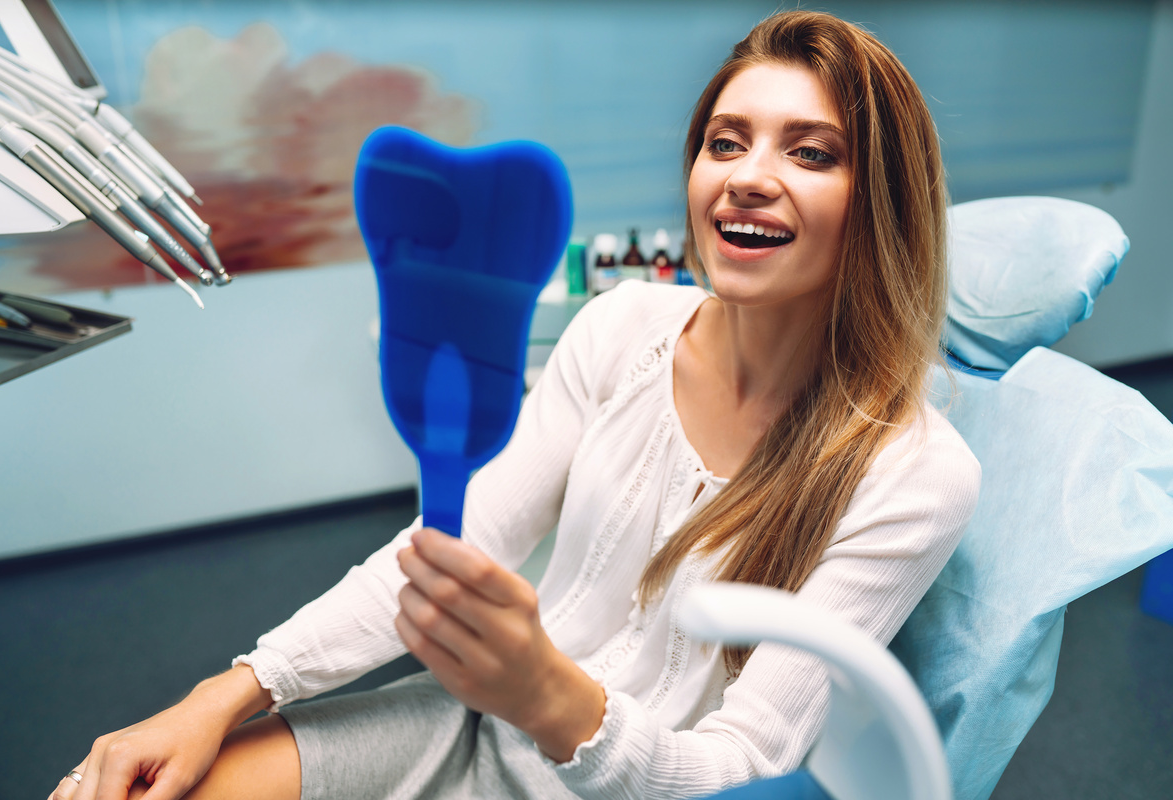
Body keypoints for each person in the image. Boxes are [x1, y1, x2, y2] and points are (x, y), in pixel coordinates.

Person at [53, 10, 979, 800]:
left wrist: (546, 694)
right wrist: (220, 697)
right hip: (472, 728)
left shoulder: (916, 474)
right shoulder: (623, 329)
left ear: (880, 204)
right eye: (724, 141)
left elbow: (738, 766)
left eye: (810, 153)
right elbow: (443, 554)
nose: (745, 174)